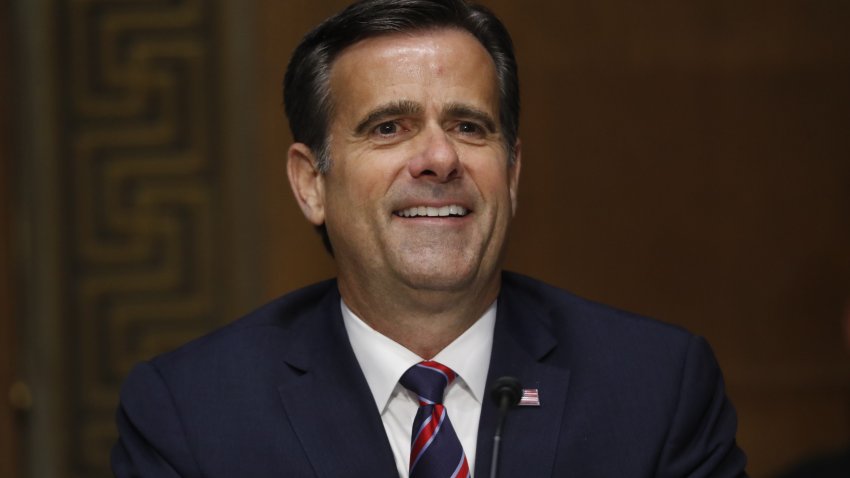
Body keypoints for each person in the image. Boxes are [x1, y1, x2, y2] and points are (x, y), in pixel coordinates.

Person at [111, 0, 748, 476]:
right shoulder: (192, 413)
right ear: (311, 184)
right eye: (389, 128)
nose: (439, 158)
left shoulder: (656, 387)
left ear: (513, 172)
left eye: (470, 126)